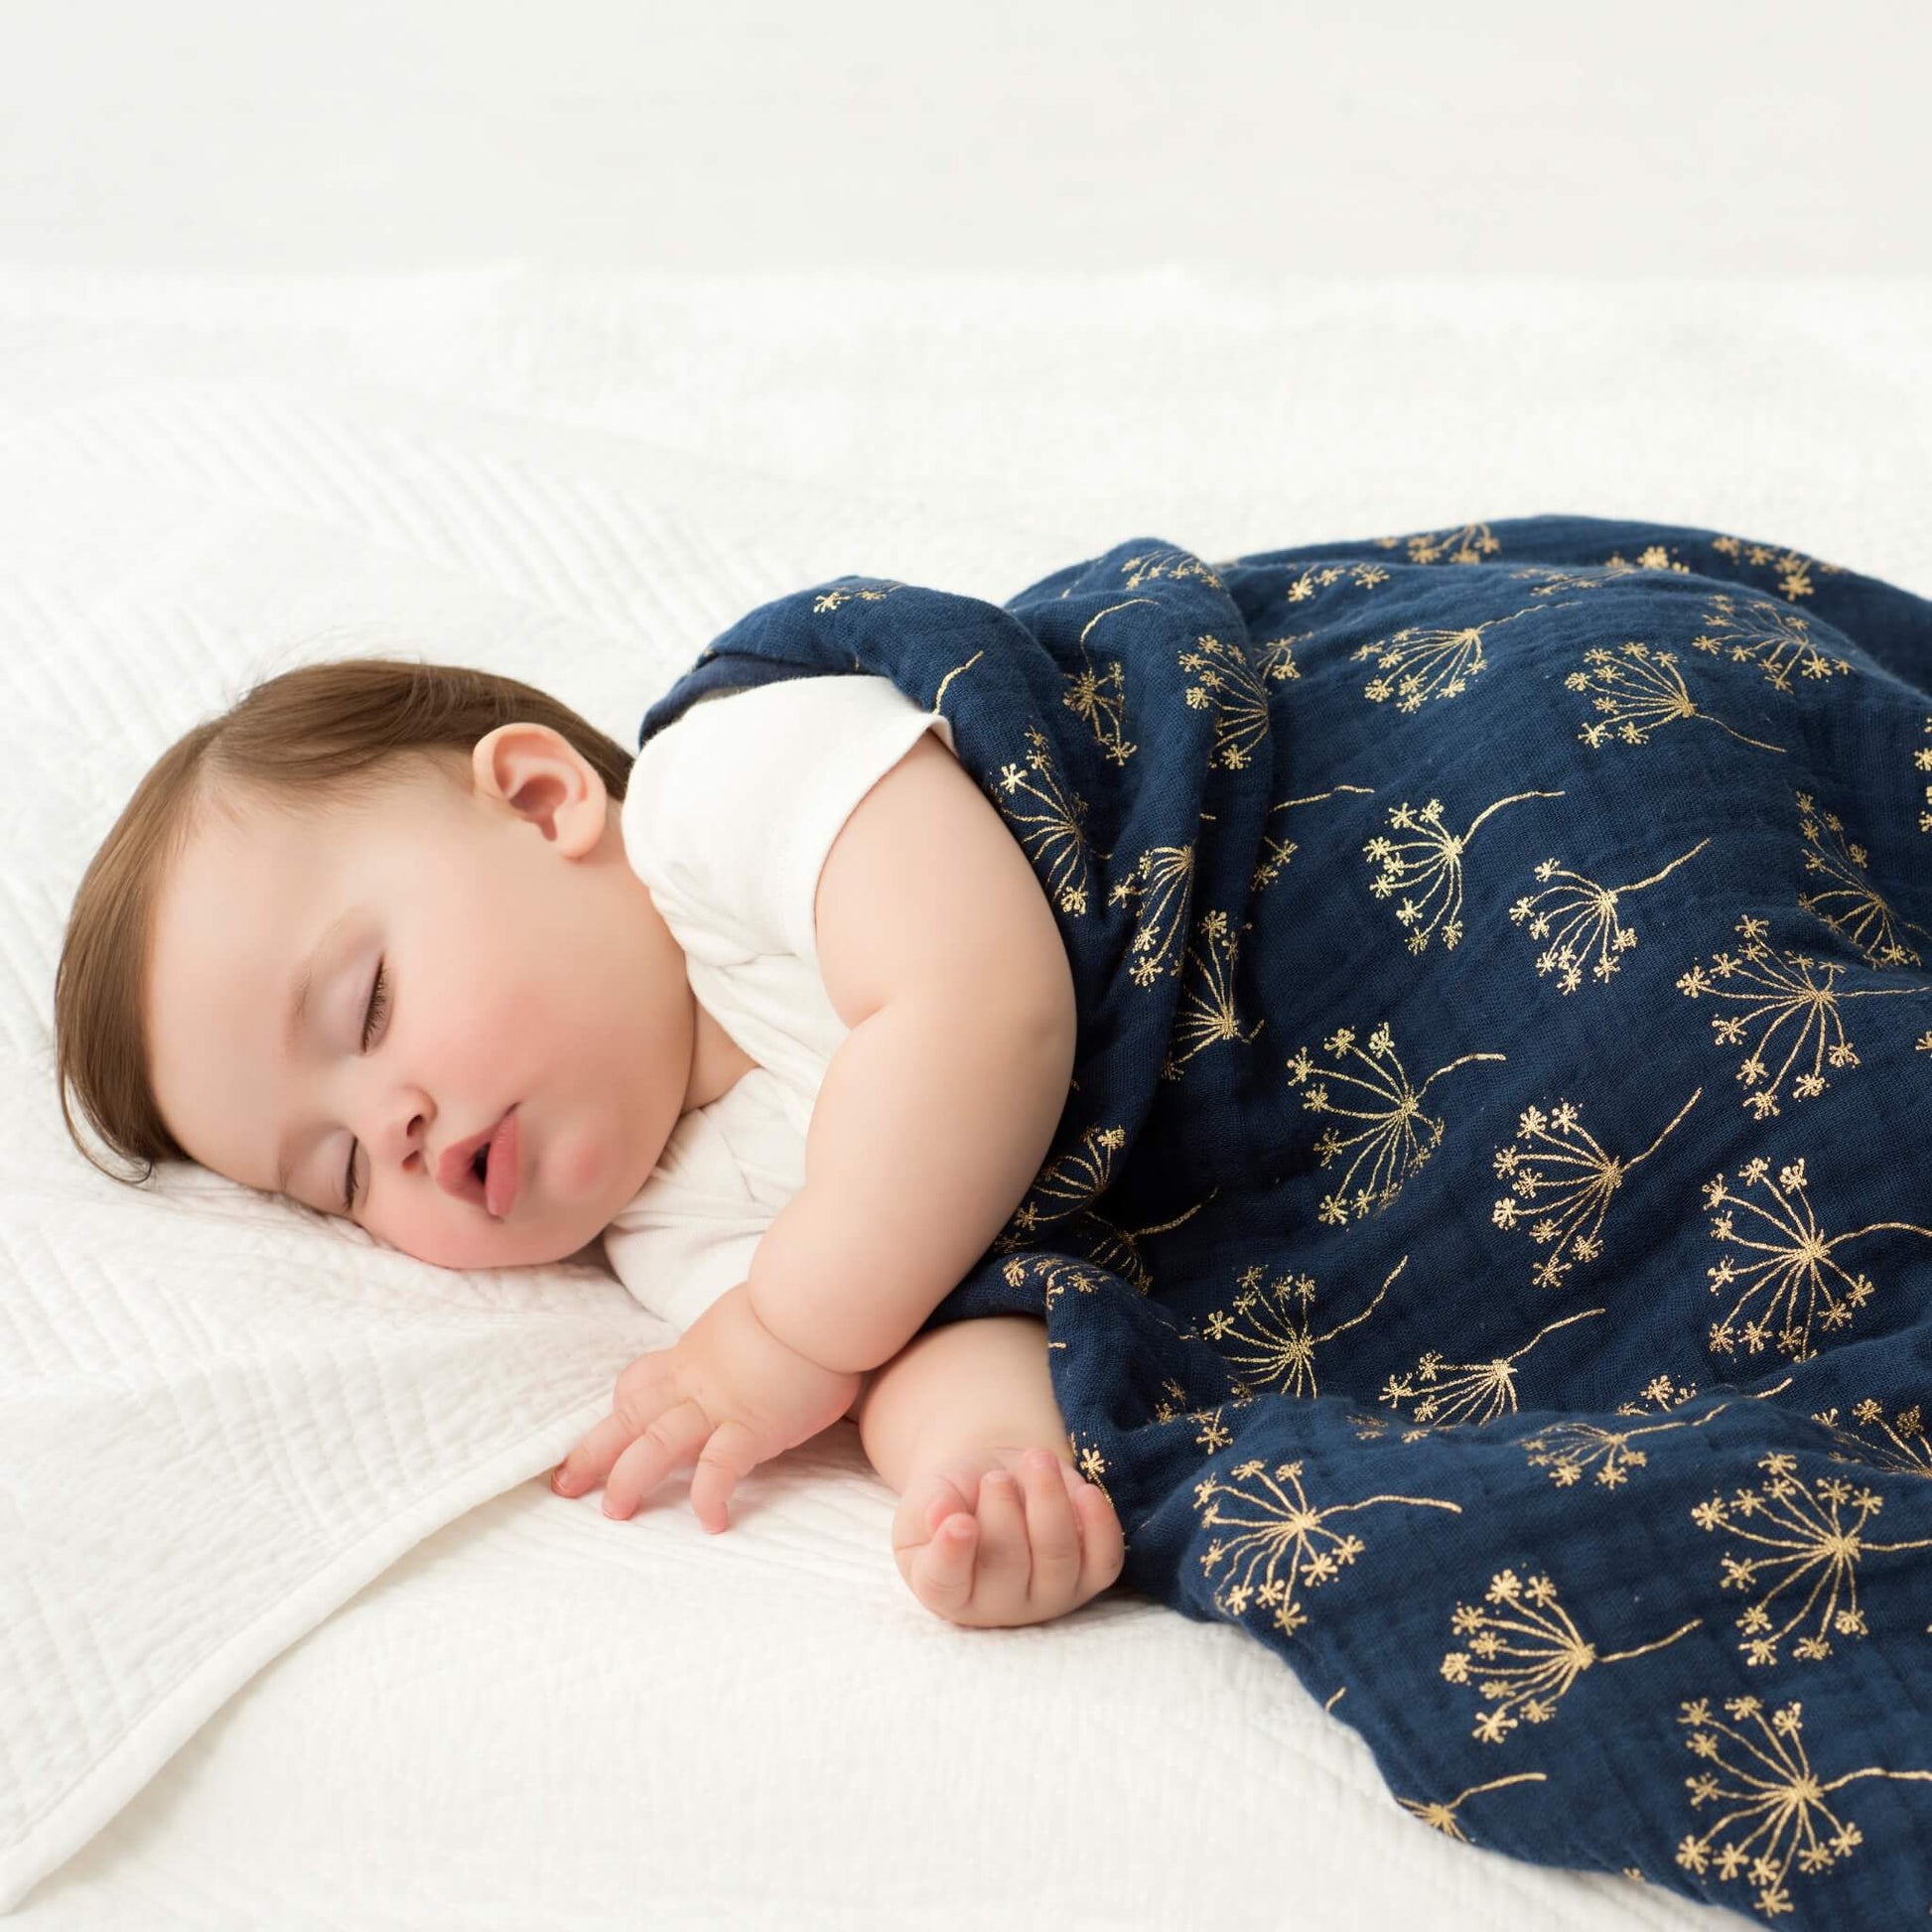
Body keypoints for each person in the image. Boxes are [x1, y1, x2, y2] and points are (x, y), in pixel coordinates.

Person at [53, 655, 1126, 1631]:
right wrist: (983, 1462)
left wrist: (791, 1332)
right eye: (341, 1172)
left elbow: (981, 1000)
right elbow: (912, 1321)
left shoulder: (726, 788)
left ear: (539, 800)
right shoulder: (669, 1233)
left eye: (367, 1007)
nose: (393, 1129)